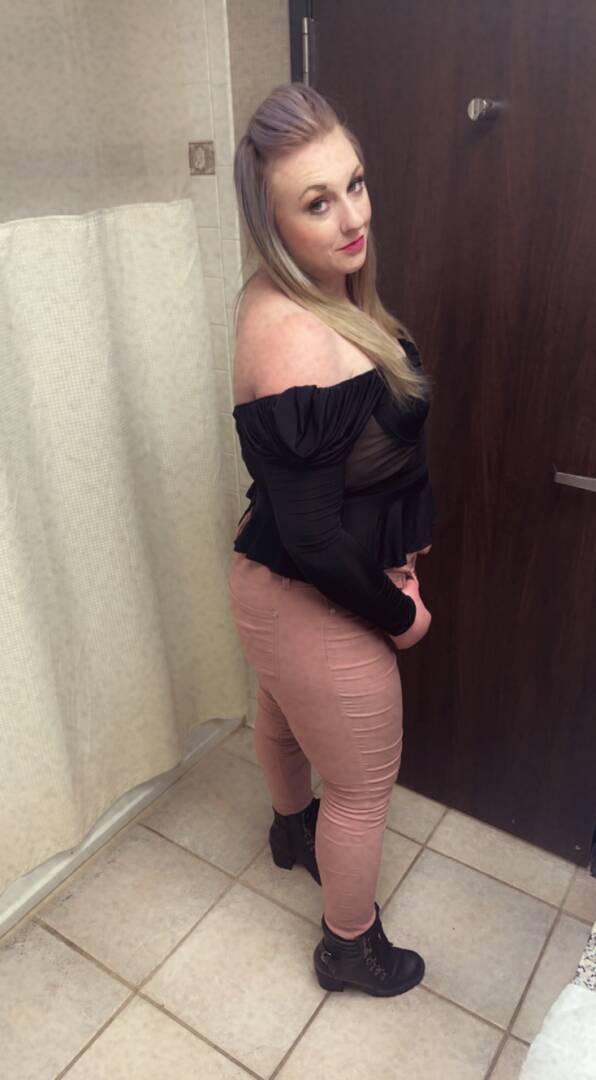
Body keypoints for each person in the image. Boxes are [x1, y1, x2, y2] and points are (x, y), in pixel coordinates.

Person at [227, 82, 435, 998]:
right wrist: (401, 616)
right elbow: (315, 539)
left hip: (271, 586)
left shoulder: (304, 295)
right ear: (273, 225)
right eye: (317, 203)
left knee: (282, 716)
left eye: (355, 184)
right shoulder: (296, 337)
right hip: (310, 591)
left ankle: (289, 829)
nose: (353, 217)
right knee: (361, 786)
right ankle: (349, 947)